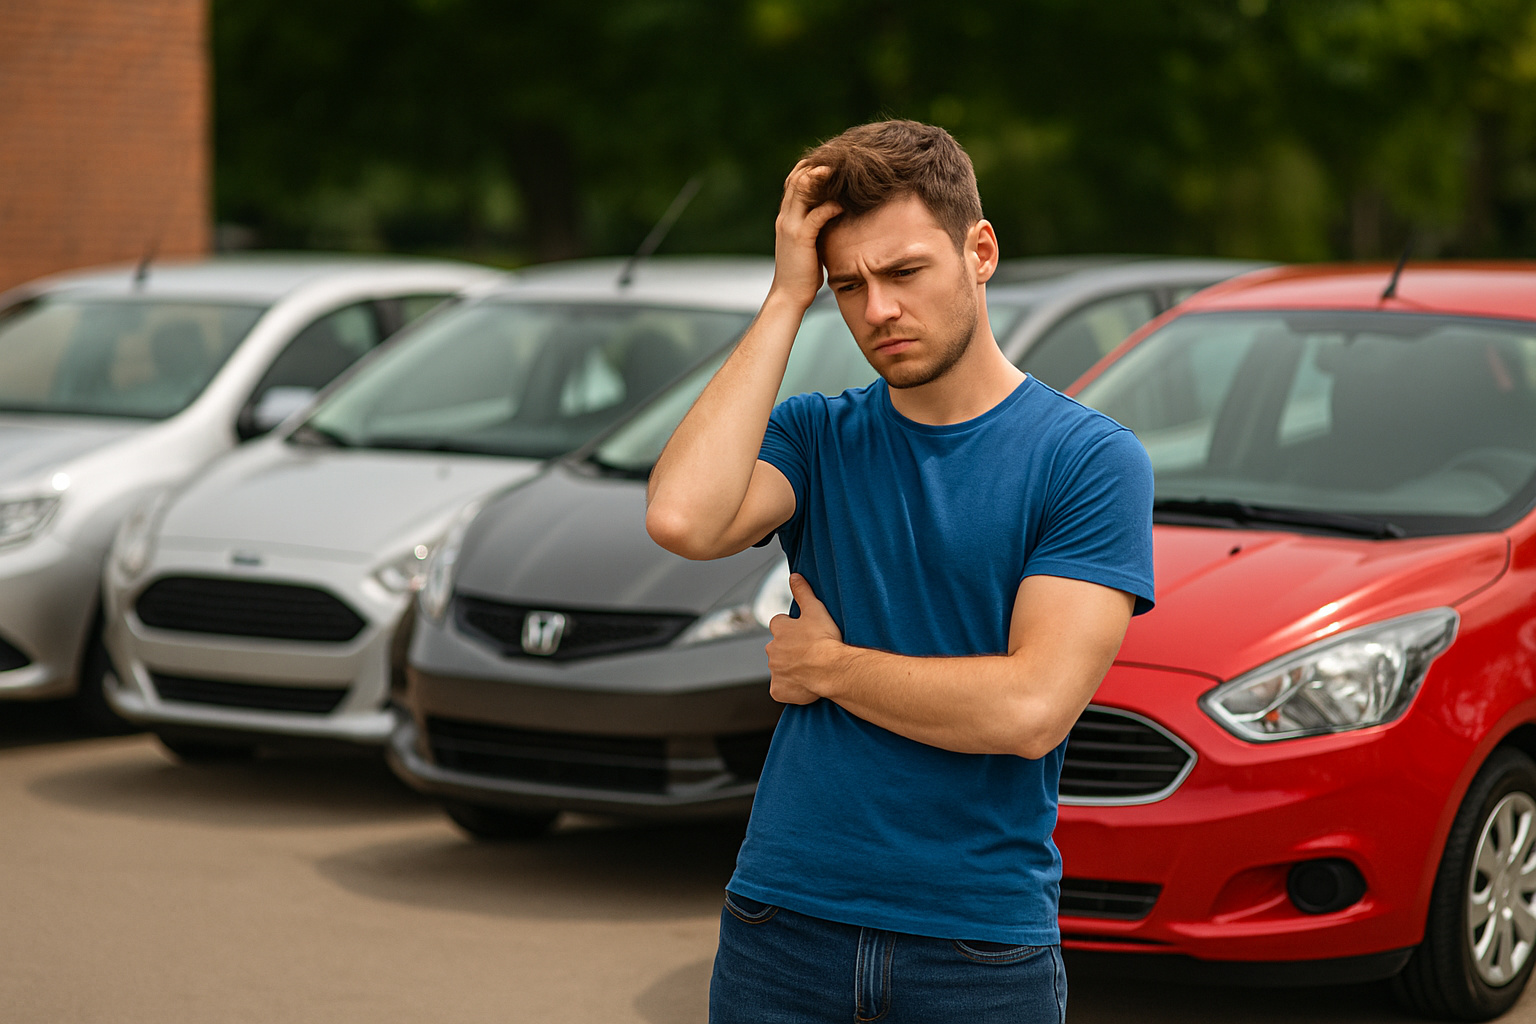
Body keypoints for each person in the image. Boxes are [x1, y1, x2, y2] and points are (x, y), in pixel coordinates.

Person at [645, 120, 1155, 1024]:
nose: (877, 309)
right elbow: (683, 518)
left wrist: (831, 670)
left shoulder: (1088, 460)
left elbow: (1029, 710)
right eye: (849, 286)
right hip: (782, 921)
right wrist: (782, 301)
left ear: (980, 251)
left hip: (975, 947)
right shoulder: (816, 436)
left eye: (905, 272)